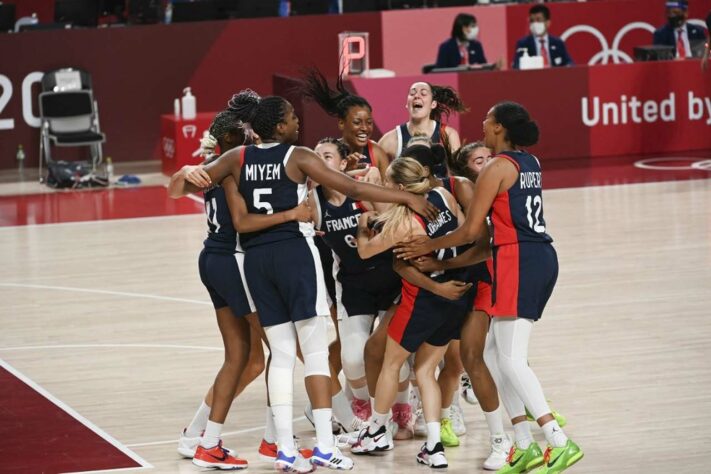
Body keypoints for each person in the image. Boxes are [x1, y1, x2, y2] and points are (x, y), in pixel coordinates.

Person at [174, 91, 439, 473]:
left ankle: (283, 448)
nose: (299, 123)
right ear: (279, 126)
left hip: (256, 262)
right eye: (293, 118)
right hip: (294, 256)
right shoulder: (297, 156)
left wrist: (184, 174)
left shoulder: (236, 158)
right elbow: (354, 189)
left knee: (280, 356)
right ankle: (326, 447)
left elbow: (184, 187)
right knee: (314, 354)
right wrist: (405, 198)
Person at [395, 102, 584, 474]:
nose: (481, 124)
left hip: (518, 260)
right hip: (532, 256)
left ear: (498, 127)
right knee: (495, 358)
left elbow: (470, 233)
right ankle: (523, 445)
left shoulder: (497, 168)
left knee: (511, 359)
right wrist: (443, 261)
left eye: (487, 120)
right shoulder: (530, 162)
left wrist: (427, 247)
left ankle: (558, 440)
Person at [168, 109, 312, 470]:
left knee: (247, 361)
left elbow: (174, 189)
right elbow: (243, 221)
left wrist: (184, 171)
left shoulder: (216, 164)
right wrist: (293, 214)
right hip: (234, 260)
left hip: (214, 259)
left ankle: (199, 435)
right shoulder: (235, 165)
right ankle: (266, 440)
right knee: (278, 349)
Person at [352, 157, 475, 469]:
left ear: (402, 188)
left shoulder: (405, 221)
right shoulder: (444, 196)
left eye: (390, 187)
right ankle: (433, 446)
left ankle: (377, 430)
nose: (388, 191)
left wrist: (363, 227)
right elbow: (461, 235)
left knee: (390, 365)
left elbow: (366, 251)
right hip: (456, 295)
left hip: (422, 300)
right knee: (425, 372)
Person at [309, 138, 401, 433]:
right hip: (353, 285)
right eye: (316, 157)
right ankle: (365, 406)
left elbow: (394, 218)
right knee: (351, 360)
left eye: (327, 156)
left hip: (391, 279)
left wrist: (375, 214)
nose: (320, 162)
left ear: (343, 162)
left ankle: (402, 408)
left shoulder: (364, 189)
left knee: (398, 358)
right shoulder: (313, 200)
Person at [298, 69, 390, 179]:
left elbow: (388, 191)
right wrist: (346, 172)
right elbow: (318, 188)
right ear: (341, 123)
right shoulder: (328, 152)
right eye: (357, 122)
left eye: (369, 122)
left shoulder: (376, 153)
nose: (365, 128)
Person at [378, 82, 467, 161]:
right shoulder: (389, 140)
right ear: (407, 104)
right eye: (412, 93)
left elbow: (457, 174)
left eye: (423, 93)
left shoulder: (448, 135)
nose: (416, 96)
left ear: (433, 104)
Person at [512, 5, 573, 70]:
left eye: (538, 20)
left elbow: (569, 63)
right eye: (532, 21)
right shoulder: (523, 44)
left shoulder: (558, 43)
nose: (535, 23)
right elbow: (516, 66)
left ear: (548, 23)